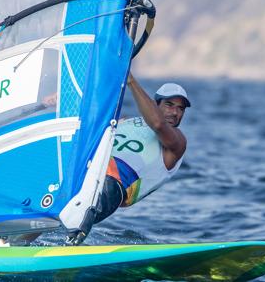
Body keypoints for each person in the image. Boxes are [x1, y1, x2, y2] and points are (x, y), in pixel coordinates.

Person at [65, 72, 190, 245]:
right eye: (169, 104)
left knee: (106, 174)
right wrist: (66, 100)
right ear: (155, 104)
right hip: (85, 169)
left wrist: (130, 79)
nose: (175, 112)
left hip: (117, 184)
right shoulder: (126, 121)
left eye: (180, 108)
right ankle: (20, 242)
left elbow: (158, 124)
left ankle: (71, 245)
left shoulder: (177, 141)